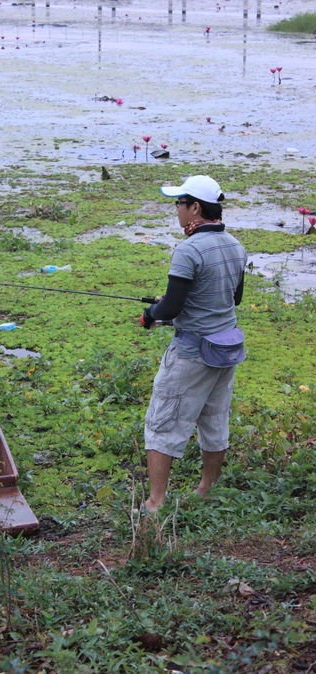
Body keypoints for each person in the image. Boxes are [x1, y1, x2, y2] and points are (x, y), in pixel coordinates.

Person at [139, 175, 247, 512]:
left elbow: (170, 307)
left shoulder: (188, 250)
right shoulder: (235, 246)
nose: (176, 210)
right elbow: (235, 298)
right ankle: (205, 490)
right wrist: (172, 305)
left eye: (179, 204)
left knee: (162, 422)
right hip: (225, 349)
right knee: (215, 419)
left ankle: (155, 502)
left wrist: (150, 314)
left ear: (195, 208)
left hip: (191, 353)